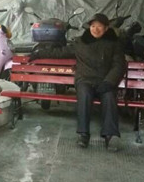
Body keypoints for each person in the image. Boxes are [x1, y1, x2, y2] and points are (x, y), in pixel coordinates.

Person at [30, 13, 127, 151]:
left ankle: (110, 135)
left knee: (109, 97)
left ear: (106, 28)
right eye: (93, 26)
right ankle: (83, 134)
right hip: (85, 80)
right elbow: (61, 52)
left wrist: (109, 82)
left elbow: (119, 65)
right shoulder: (81, 42)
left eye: (99, 26)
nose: (95, 29)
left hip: (105, 81)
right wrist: (38, 53)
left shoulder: (114, 44)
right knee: (84, 95)